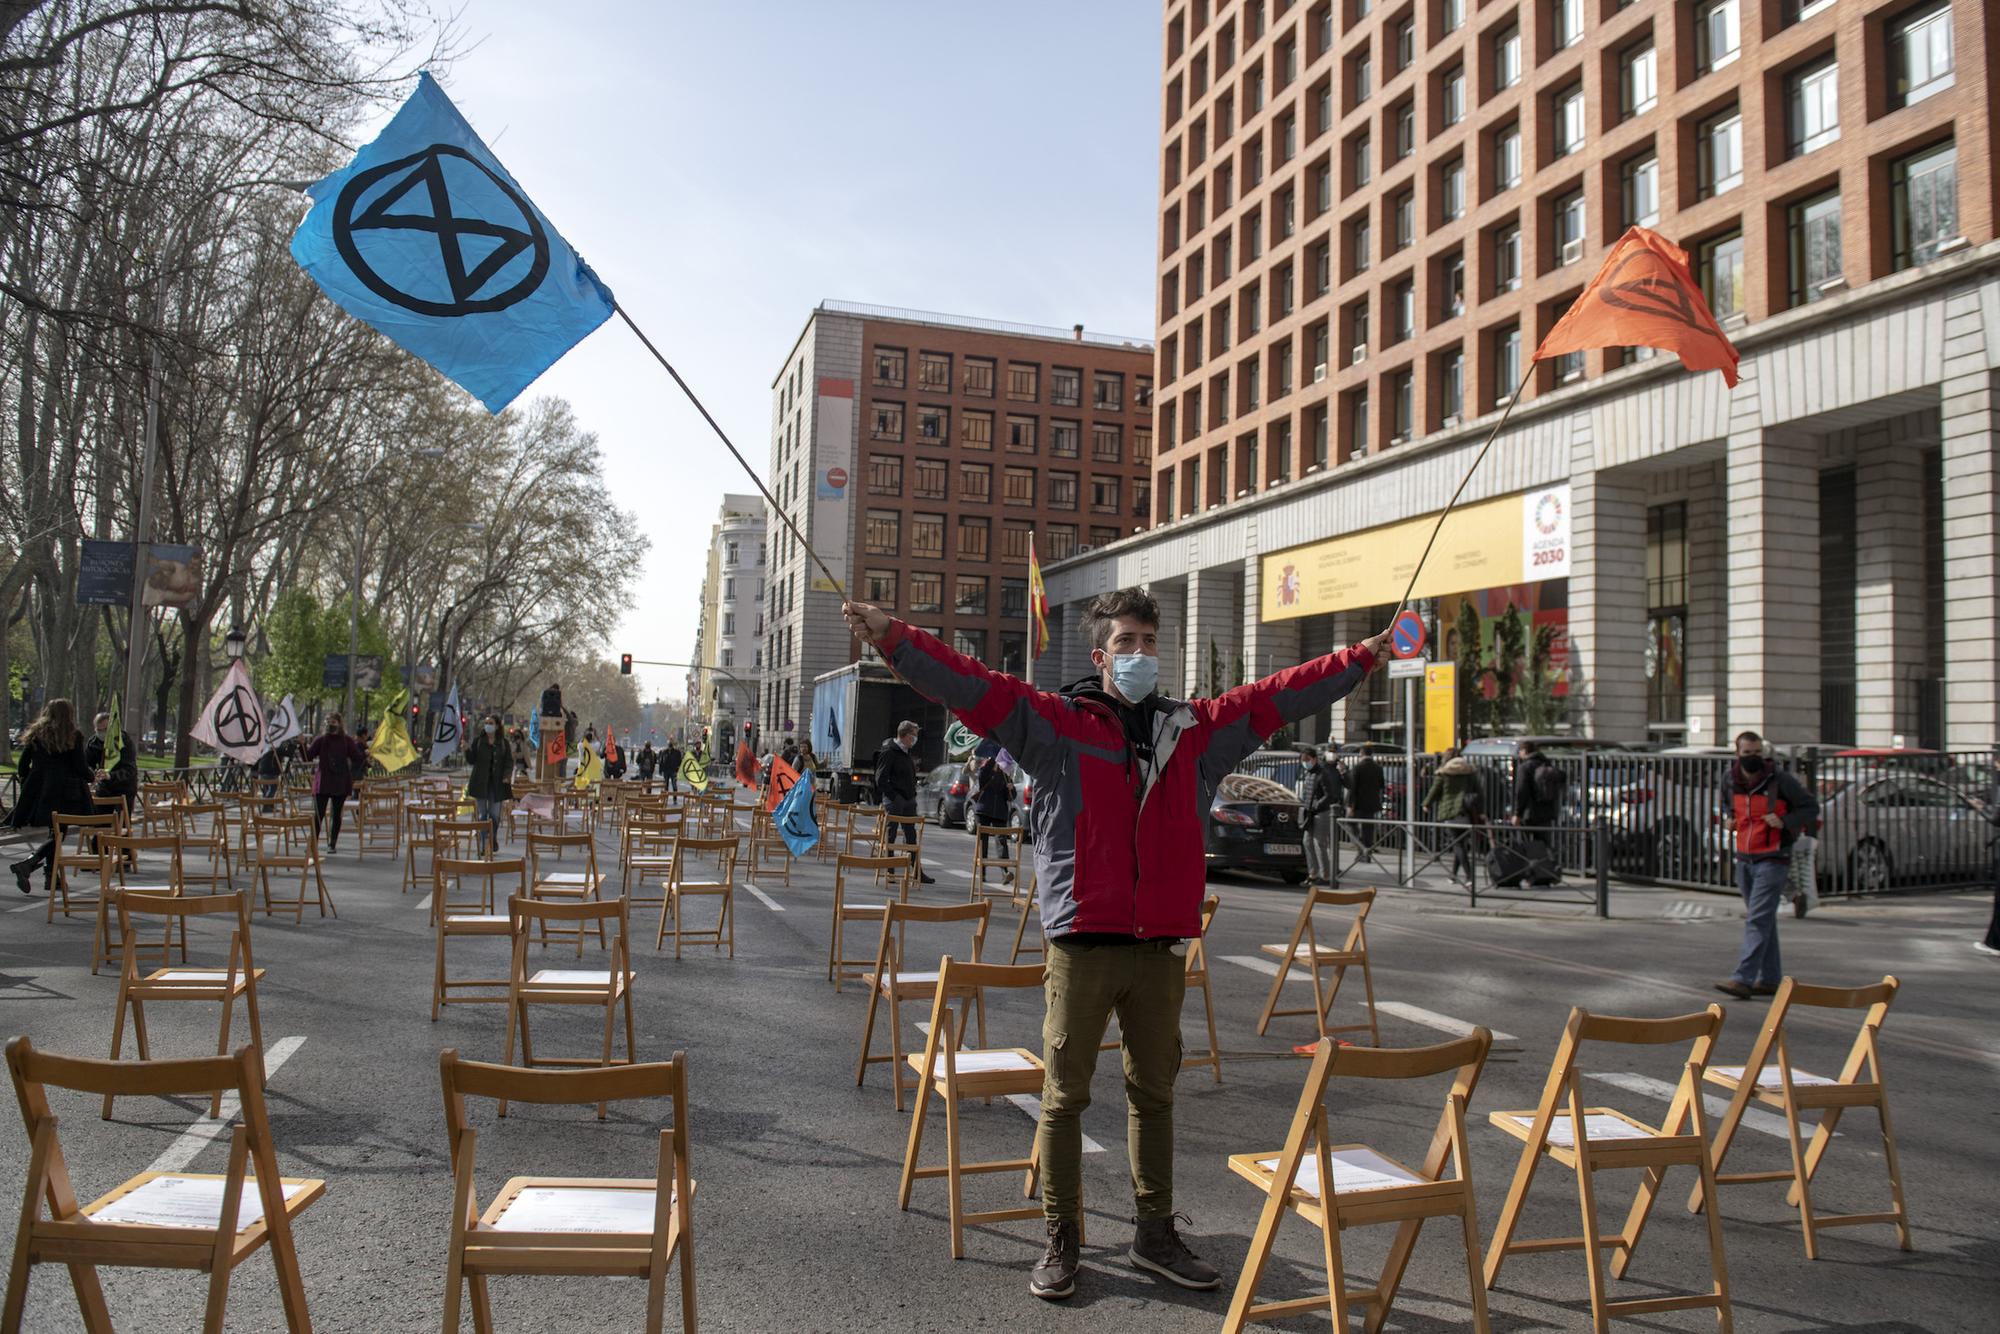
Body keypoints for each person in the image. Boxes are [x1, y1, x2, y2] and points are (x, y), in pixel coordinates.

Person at [843, 588, 1389, 1303]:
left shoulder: (1193, 730)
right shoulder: (1056, 726)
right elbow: (973, 686)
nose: (1140, 654)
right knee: (1064, 1098)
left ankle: (1153, 1233)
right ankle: (1063, 1238)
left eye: (1149, 642)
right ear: (1100, 656)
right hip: (1083, 944)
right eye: (1126, 642)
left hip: (1160, 948)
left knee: (1154, 1094)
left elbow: (1272, 697)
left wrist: (1356, 660)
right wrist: (895, 637)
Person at [1716, 731, 1818, 1000]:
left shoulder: (1780, 780)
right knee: (1763, 920)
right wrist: (1729, 820)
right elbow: (1728, 807)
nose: (1753, 758)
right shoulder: (1730, 779)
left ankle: (1743, 978)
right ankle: (1771, 979)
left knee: (1757, 919)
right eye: (1747, 753)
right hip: (1744, 858)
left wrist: (1785, 822)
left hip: (1773, 858)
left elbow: (1810, 808)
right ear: (1737, 754)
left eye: (1757, 753)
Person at [8, 699, 94, 894]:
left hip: (40, 790)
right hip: (66, 791)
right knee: (58, 834)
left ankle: (51, 877)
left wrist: (30, 782)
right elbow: (80, 766)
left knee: (54, 833)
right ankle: (29, 864)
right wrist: (91, 776)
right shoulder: (73, 735)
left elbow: (22, 766)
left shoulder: (36, 734)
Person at [874, 720, 933, 883]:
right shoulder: (889, 751)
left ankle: (916, 871)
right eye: (913, 735)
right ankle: (890, 870)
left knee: (911, 836)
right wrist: (894, 796)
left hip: (908, 800)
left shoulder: (906, 752)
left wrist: (911, 794)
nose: (915, 739)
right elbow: (880, 779)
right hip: (895, 800)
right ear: (905, 736)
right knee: (890, 835)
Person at [306, 714, 365, 852]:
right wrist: (302, 744)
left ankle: (332, 843)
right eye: (327, 721)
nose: (329, 724)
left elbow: (357, 758)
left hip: (340, 781)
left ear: (339, 724)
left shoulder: (347, 741)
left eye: (332, 722)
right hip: (323, 782)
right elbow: (308, 756)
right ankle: (312, 843)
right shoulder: (320, 740)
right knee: (318, 814)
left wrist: (365, 754)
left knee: (336, 813)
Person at [1423, 753, 1485, 885]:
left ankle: (1469, 876)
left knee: (1457, 844)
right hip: (1466, 811)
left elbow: (1434, 790)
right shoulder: (1469, 773)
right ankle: (1453, 875)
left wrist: (1426, 804)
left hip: (1449, 811)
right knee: (1460, 843)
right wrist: (1481, 811)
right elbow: (1479, 791)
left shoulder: (1444, 774)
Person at [464, 714, 513, 855]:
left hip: (497, 784)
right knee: (483, 815)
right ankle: (484, 844)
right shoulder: (478, 741)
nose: (488, 725)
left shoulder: (504, 743)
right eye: (486, 723)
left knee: (495, 815)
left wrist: (507, 776)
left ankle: (492, 837)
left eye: (490, 723)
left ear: (497, 726)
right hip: (480, 783)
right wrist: (467, 749)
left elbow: (509, 762)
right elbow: (472, 760)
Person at [85, 710, 139, 815]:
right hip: (104, 788)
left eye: (105, 729)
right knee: (100, 821)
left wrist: (110, 775)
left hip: (124, 788)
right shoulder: (93, 742)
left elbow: (129, 769)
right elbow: (87, 763)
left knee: (121, 822)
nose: (102, 733)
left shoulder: (124, 741)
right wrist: (92, 774)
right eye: (99, 730)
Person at [973, 754, 1017, 882]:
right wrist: (994, 758)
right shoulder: (985, 772)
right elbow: (982, 776)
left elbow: (1011, 796)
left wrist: (1011, 789)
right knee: (983, 842)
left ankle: (1005, 872)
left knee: (1002, 841)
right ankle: (982, 873)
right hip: (983, 811)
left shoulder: (1005, 776)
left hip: (999, 812)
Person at [1512, 740, 1565, 829]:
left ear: (1524, 751)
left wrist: (1518, 813)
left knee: (1527, 841)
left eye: (1520, 751)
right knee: (1543, 840)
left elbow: (1521, 791)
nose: (1519, 754)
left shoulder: (1525, 767)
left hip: (1529, 813)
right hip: (1547, 812)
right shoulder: (1546, 764)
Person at [1348, 750, 1384, 863]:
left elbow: (1352, 788)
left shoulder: (1358, 767)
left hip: (1358, 804)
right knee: (1368, 829)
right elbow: (1381, 784)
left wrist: (1350, 806)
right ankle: (1367, 854)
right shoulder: (1378, 768)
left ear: (1361, 754)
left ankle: (1360, 848)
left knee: (1350, 824)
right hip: (1372, 804)